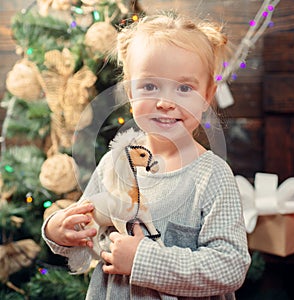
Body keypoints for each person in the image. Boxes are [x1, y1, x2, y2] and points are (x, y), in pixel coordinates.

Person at [42, 12, 251, 299]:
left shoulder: (212, 176)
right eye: (150, 86)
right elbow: (86, 235)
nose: (165, 102)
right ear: (129, 91)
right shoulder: (114, 165)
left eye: (184, 88)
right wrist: (58, 231)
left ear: (207, 96)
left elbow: (230, 267)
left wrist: (143, 261)